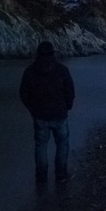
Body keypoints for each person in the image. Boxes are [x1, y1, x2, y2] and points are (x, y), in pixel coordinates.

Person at [19, 40, 75, 183]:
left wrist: (32, 109)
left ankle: (41, 177)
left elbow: (23, 94)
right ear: (53, 53)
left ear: (38, 53)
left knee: (41, 146)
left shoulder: (30, 71)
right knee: (62, 144)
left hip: (40, 115)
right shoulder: (62, 70)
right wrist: (67, 106)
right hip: (60, 114)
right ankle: (61, 174)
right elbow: (70, 91)